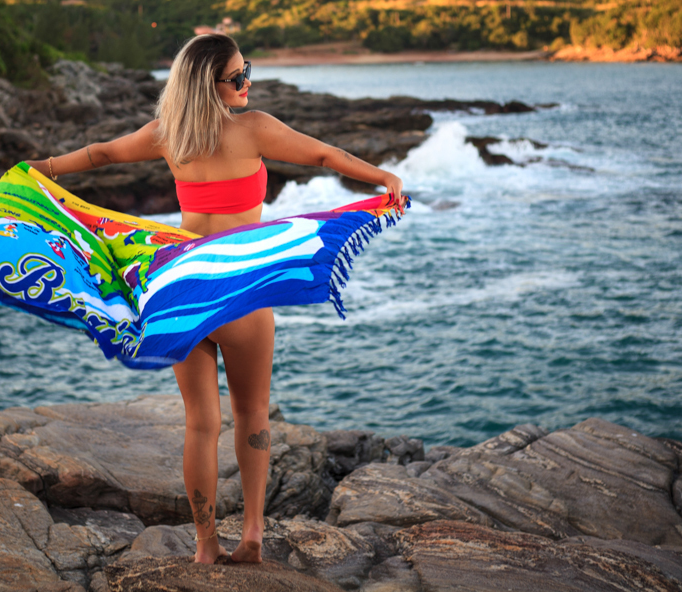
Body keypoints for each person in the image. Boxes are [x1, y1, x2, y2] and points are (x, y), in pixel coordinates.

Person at [28, 33, 404, 564]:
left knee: (200, 423)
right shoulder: (252, 129)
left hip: (179, 284)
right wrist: (381, 176)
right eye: (237, 77)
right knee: (252, 415)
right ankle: (251, 536)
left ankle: (206, 546)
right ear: (211, 84)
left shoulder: (168, 134)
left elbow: (101, 154)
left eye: (246, 70)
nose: (247, 82)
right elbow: (324, 154)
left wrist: (37, 171)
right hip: (241, 284)